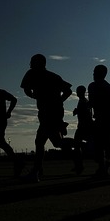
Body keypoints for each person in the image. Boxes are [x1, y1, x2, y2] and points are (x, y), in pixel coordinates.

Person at [20, 54, 73, 182]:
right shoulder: (53, 76)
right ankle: (81, 146)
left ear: (39, 63)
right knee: (56, 142)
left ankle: (36, 172)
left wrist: (34, 95)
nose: (30, 64)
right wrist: (59, 100)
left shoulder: (32, 74)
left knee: (40, 141)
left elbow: (26, 90)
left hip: (48, 112)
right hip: (54, 111)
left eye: (32, 62)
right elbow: (68, 91)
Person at [88, 64, 110, 179]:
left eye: (95, 72)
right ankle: (103, 164)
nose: (93, 74)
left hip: (103, 117)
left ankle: (103, 166)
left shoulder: (93, 86)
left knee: (97, 143)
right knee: (100, 142)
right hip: (109, 117)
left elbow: (92, 102)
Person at [71, 85, 92, 175]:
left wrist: (77, 111)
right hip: (84, 126)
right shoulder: (84, 101)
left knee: (77, 145)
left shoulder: (83, 101)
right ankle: (79, 165)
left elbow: (85, 114)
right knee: (78, 146)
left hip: (84, 127)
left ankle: (79, 165)